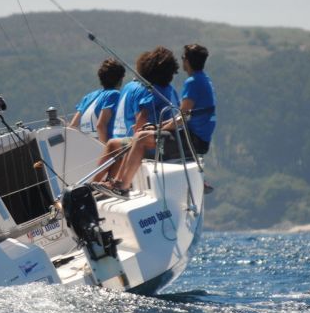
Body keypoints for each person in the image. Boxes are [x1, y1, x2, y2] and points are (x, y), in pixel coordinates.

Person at [98, 43, 215, 197]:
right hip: (196, 139)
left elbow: (182, 118)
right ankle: (117, 182)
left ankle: (122, 185)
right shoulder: (204, 80)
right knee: (140, 136)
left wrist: (157, 129)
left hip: (191, 140)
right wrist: (157, 127)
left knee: (139, 138)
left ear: (187, 60)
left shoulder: (192, 82)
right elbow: (181, 117)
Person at [93, 46, 180, 182]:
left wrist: (140, 129)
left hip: (153, 145)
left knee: (113, 144)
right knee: (123, 143)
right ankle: (108, 181)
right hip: (170, 142)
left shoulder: (144, 89)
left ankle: (96, 183)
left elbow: (143, 115)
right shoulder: (171, 90)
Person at [69, 58, 125, 143]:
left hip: (87, 148)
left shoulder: (88, 97)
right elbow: (100, 125)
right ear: (120, 79)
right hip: (104, 150)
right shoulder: (114, 95)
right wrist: (106, 152)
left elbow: (72, 126)